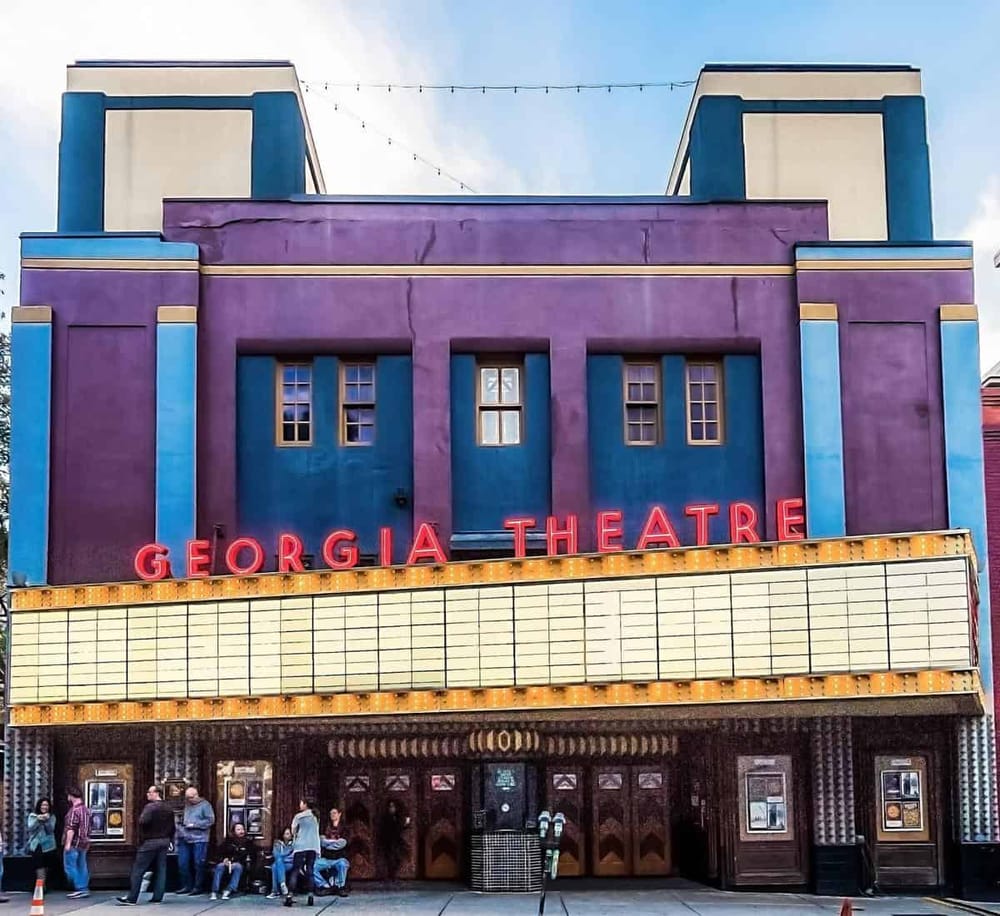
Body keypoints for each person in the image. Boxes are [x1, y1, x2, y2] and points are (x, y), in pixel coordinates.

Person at [117, 785, 175, 906]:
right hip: (164, 840)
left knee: (138, 869)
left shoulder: (150, 807)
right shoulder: (168, 808)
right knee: (161, 869)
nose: (147, 794)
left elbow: (142, 821)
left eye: (149, 792)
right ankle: (157, 897)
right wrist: (170, 840)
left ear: (156, 793)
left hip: (151, 841)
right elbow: (173, 827)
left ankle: (132, 898)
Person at [174, 786, 215, 895]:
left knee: (198, 863)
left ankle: (198, 887)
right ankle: (187, 885)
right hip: (185, 838)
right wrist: (180, 830)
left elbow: (210, 820)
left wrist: (195, 825)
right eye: (187, 798)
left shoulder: (205, 805)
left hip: (200, 839)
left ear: (197, 795)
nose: (189, 800)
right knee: (182, 863)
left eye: (191, 797)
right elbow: (181, 819)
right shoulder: (186, 805)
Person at [285, 799, 319, 907]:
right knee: (310, 870)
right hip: (312, 846)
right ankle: (310, 895)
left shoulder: (298, 817)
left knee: (295, 870)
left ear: (305, 804)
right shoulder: (315, 816)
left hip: (300, 846)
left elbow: (293, 831)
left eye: (301, 803)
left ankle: (290, 895)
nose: (299, 805)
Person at [210, 822, 255, 901]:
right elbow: (218, 853)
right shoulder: (228, 841)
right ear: (234, 831)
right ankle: (214, 891)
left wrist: (233, 861)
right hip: (226, 862)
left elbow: (249, 855)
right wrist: (224, 859)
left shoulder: (248, 842)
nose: (241, 831)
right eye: (238, 829)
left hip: (239, 863)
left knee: (237, 867)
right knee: (220, 866)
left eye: (242, 829)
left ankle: (228, 890)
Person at [62, 786, 91, 899]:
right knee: (82, 866)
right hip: (84, 843)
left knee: (70, 867)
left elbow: (71, 828)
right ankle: (84, 888)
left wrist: (67, 844)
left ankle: (80, 887)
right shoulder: (86, 810)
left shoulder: (74, 811)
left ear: (71, 796)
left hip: (74, 843)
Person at [314, 807, 349, 897]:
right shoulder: (326, 826)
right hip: (327, 858)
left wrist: (328, 843)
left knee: (343, 865)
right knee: (312, 867)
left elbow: (343, 843)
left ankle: (340, 886)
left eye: (334, 813)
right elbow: (322, 841)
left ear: (339, 814)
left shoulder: (345, 827)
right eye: (331, 813)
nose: (332, 815)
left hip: (339, 857)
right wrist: (334, 842)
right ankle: (324, 885)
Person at [377, 800, 410, 884]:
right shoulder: (385, 818)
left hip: (396, 841)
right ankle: (390, 877)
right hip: (387, 841)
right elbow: (383, 830)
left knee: (398, 858)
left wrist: (406, 824)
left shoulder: (397, 816)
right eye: (390, 807)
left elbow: (399, 829)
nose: (392, 809)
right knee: (389, 859)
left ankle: (393, 876)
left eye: (393, 807)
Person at [26, 799, 57, 885]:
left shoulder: (52, 817)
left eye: (46, 805)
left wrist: (46, 820)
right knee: (39, 865)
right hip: (37, 845)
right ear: (39, 806)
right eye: (43, 805)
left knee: (46, 865)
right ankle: (40, 886)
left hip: (49, 846)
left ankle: (43, 883)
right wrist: (38, 820)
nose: (44, 807)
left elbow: (50, 830)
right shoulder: (33, 816)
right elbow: (30, 828)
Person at [268, 828, 294, 899]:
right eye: (287, 834)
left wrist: (282, 857)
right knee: (275, 865)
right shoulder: (277, 843)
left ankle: (275, 891)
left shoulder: (294, 844)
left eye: (290, 834)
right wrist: (286, 855)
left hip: (289, 864)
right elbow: (275, 854)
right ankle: (282, 884)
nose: (289, 835)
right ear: (283, 835)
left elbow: (292, 857)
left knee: (277, 863)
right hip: (280, 863)